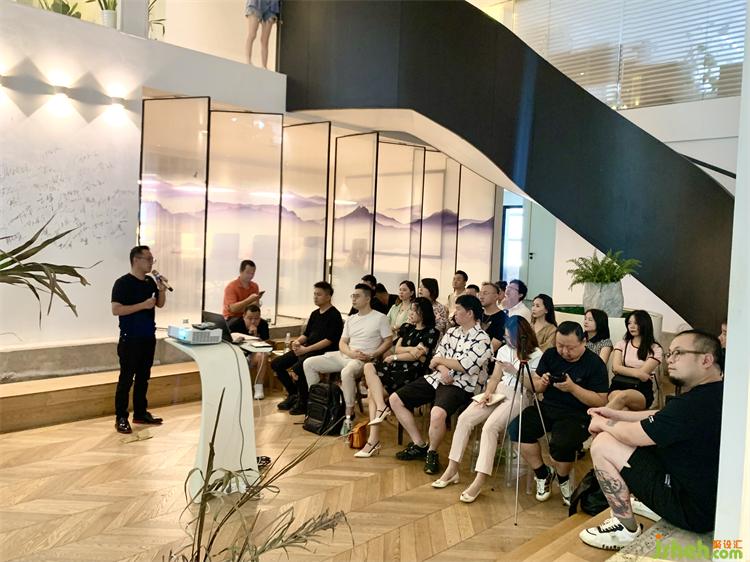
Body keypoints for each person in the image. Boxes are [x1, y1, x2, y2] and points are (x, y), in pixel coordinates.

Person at [579, 330, 724, 550]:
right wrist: (614, 414)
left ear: (706, 360)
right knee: (626, 437)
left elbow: (633, 434)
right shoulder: (716, 393)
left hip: (692, 510)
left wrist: (602, 423)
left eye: (679, 353)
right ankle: (645, 504)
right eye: (669, 353)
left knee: (603, 443)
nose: (670, 360)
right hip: (707, 502)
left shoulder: (693, 405)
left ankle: (624, 529)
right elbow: (661, 417)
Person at [433, 316, 543, 502]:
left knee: (490, 427)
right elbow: (495, 378)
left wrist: (515, 371)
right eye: (506, 337)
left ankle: (479, 480)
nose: (507, 341)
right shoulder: (504, 350)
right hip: (498, 391)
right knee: (465, 418)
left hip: (520, 395)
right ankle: (452, 469)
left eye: (510, 337)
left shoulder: (537, 355)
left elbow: (534, 387)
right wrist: (488, 393)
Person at [389, 294, 492, 475]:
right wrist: (443, 368)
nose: (454, 313)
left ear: (469, 313)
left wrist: (441, 362)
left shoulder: (482, 339)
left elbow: (465, 366)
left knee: (437, 414)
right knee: (395, 399)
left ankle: (432, 452)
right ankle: (420, 444)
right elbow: (434, 359)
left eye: (458, 309)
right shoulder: (451, 333)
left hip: (461, 385)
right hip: (438, 377)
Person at [509, 321, 609, 505]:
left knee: (562, 444)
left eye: (570, 348)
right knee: (517, 428)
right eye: (560, 345)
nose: (563, 351)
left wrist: (573, 388)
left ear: (583, 342)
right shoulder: (550, 355)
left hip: (577, 414)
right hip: (547, 407)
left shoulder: (595, 364)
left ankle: (563, 480)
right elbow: (536, 386)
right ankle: (543, 473)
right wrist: (541, 383)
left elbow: (601, 401)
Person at [354, 297, 440, 458]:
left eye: (414, 310)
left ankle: (373, 441)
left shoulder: (432, 332)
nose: (410, 313)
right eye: (410, 310)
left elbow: (417, 357)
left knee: (372, 392)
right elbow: (399, 348)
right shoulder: (407, 327)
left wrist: (396, 356)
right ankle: (381, 409)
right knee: (369, 367)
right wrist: (410, 350)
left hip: (412, 372)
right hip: (396, 368)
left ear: (423, 313)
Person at [303, 283, 393, 434]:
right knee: (309, 363)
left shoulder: (380, 318)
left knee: (346, 372)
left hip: (363, 360)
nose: (353, 299)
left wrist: (373, 354)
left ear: (367, 299)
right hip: (345, 355)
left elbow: (388, 341)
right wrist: (350, 353)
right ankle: (319, 402)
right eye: (352, 296)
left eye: (357, 296)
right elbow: (342, 343)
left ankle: (348, 415)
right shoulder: (351, 319)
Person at [111, 245, 168, 434]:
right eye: (148, 259)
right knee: (126, 379)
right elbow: (116, 310)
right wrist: (142, 305)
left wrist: (161, 290)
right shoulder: (122, 283)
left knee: (144, 377)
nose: (151, 263)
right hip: (130, 339)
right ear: (136, 260)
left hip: (148, 337)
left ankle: (140, 413)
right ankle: (121, 417)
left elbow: (159, 304)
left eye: (152, 259)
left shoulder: (150, 282)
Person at [273, 282, 343, 414]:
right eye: (314, 294)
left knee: (298, 368)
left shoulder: (334, 315)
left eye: (319, 294)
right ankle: (294, 394)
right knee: (277, 364)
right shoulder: (315, 314)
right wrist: (297, 342)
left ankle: (303, 402)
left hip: (323, 352)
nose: (315, 297)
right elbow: (306, 334)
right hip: (307, 348)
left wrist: (306, 350)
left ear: (328, 297)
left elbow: (329, 341)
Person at [608, 310, 663, 411]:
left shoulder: (655, 348)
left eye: (636, 323)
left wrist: (623, 369)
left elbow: (643, 372)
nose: (631, 326)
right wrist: (638, 373)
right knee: (624, 409)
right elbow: (615, 367)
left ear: (645, 324)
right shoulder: (621, 344)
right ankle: (599, 419)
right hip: (618, 385)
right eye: (629, 323)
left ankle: (596, 417)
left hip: (641, 390)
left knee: (622, 396)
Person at [228, 304, 270, 399]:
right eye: (250, 318)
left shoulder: (263, 324)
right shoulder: (235, 324)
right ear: (244, 316)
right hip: (238, 355)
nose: (253, 321)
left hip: (253, 356)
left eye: (256, 318)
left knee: (264, 355)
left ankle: (258, 387)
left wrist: (255, 336)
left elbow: (266, 345)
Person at [245, 0, 279, 69]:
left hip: (271, 5)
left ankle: (264, 66)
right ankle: (248, 60)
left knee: (265, 40)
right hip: (256, 3)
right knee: (252, 34)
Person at [478, 282, 505, 353]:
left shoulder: (503, 318)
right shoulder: (477, 313)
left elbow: (493, 347)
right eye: (480, 293)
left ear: (495, 296)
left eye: (485, 293)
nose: (481, 296)